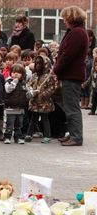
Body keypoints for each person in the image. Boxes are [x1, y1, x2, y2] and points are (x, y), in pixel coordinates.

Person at [54, 5, 88, 146]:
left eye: (65, 18)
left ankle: (76, 137)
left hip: (71, 75)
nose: (64, 21)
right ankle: (73, 134)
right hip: (71, 74)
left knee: (72, 108)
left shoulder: (77, 33)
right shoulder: (76, 32)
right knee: (70, 107)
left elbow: (67, 55)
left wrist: (55, 69)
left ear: (71, 18)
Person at [24, 56, 55, 144]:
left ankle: (47, 136)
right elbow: (29, 83)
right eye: (36, 64)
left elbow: (52, 88)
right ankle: (29, 134)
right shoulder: (34, 75)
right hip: (35, 101)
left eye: (40, 64)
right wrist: (30, 90)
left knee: (45, 119)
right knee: (33, 118)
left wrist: (42, 94)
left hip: (45, 102)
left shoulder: (49, 76)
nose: (37, 66)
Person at [4, 64, 28, 144]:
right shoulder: (8, 81)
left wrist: (31, 93)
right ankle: (7, 137)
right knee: (10, 124)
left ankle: (17, 138)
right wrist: (14, 82)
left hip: (20, 108)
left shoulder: (24, 83)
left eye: (18, 72)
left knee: (19, 125)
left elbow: (27, 93)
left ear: (22, 74)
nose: (16, 74)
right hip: (11, 107)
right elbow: (8, 90)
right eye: (14, 72)